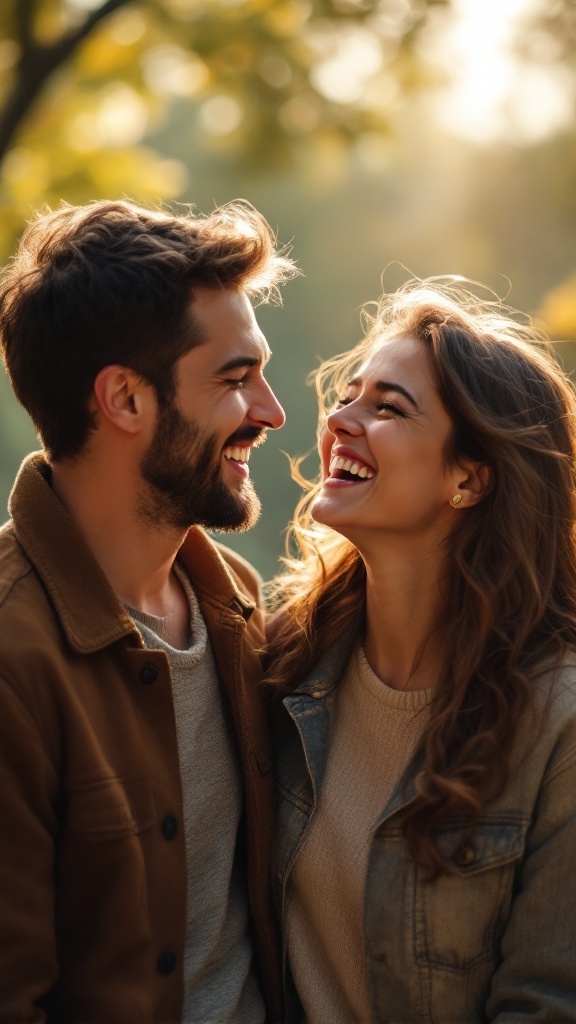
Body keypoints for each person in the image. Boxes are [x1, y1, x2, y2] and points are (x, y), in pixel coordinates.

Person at [0, 198, 297, 1023]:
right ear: (125, 400)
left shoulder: (233, 598)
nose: (271, 412)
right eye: (235, 381)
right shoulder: (11, 659)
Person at [267, 278, 576, 1023]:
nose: (341, 420)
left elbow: (547, 1003)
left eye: (388, 408)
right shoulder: (283, 661)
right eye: (349, 395)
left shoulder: (558, 723)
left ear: (469, 477)